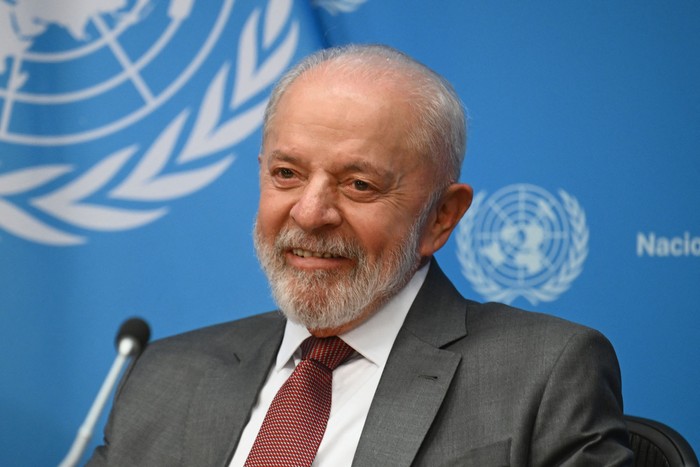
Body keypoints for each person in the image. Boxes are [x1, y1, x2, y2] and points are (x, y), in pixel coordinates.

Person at [88, 44, 633, 466]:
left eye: (359, 185)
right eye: (286, 174)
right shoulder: (166, 375)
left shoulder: (544, 373)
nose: (309, 212)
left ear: (442, 216)